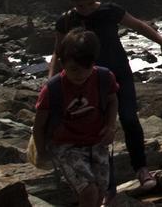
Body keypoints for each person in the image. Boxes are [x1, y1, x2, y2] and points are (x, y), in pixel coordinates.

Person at [48, 0, 162, 191]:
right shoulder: (67, 21)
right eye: (80, 6)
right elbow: (59, 53)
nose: (85, 10)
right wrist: (51, 84)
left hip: (119, 74)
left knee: (129, 119)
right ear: (72, 2)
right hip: (89, 82)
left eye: (89, 3)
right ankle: (107, 184)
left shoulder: (110, 11)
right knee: (98, 129)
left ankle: (141, 169)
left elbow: (139, 25)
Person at [33, 29, 119, 207]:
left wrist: (110, 127)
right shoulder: (53, 89)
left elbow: (112, 100)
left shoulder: (103, 77)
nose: (80, 74)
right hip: (66, 145)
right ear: (62, 63)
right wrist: (42, 152)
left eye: (86, 68)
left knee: (101, 190)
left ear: (93, 62)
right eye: (74, 69)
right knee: (88, 191)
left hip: (97, 141)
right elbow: (39, 125)